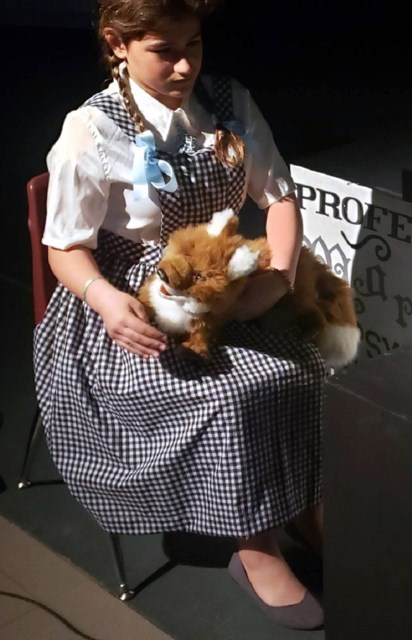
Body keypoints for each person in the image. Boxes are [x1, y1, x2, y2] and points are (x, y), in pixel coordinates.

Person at [35, 0, 325, 629]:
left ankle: (302, 504)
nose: (185, 64)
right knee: (242, 391)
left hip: (225, 286)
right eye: (164, 50)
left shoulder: (229, 104)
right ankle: (256, 543)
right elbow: (64, 250)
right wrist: (107, 301)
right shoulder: (92, 129)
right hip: (130, 305)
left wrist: (278, 277)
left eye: (193, 44)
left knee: (309, 359)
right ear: (118, 44)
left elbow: (279, 198)